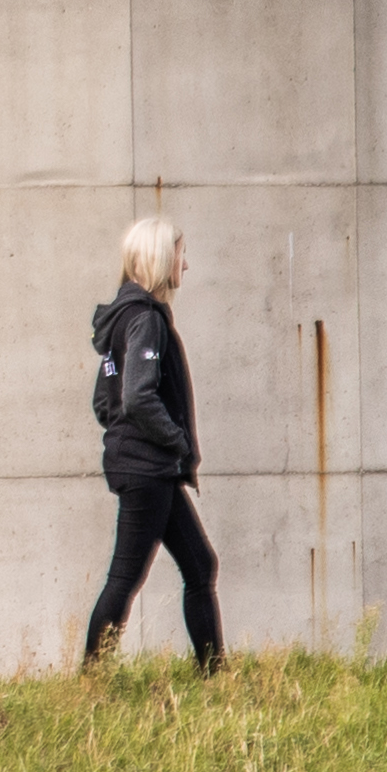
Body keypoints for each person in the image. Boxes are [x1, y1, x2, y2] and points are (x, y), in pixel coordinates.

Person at [81, 215, 220, 670]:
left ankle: (216, 675)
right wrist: (174, 440)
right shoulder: (145, 321)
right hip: (148, 468)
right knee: (125, 578)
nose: (187, 263)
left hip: (145, 466)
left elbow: (105, 401)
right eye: (182, 254)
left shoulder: (123, 319)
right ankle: (91, 678)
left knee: (200, 566)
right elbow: (136, 396)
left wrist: (130, 440)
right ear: (163, 259)